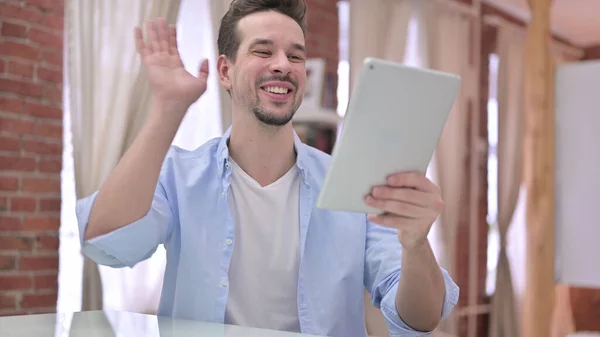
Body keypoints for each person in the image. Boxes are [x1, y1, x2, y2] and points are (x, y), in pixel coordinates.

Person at [76, 0, 459, 336]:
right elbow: (105, 242)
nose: (283, 65)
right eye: (263, 51)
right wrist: (168, 109)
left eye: (295, 56)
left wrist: (415, 243)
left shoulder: (353, 187)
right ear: (225, 72)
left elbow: (419, 320)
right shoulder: (180, 177)